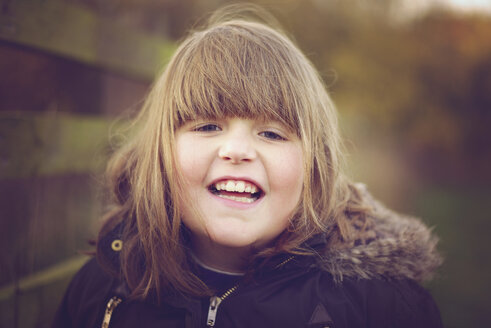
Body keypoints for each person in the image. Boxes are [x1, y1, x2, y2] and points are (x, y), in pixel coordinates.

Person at [52, 5, 443, 328]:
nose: (237, 150)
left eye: (272, 134)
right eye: (207, 126)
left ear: (315, 166)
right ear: (162, 154)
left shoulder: (383, 306)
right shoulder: (106, 287)